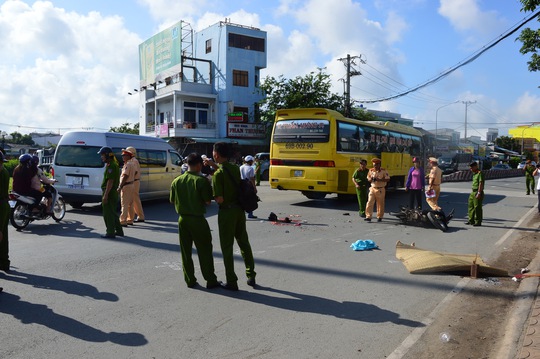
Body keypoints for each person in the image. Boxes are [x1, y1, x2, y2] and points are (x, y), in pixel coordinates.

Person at [170, 153, 220, 289]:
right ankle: (210, 279)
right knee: (205, 251)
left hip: (182, 220)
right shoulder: (201, 181)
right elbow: (208, 201)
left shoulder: (177, 181)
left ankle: (190, 280)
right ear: (198, 165)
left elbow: (173, 200)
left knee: (185, 252)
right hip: (197, 220)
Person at [211, 142, 256, 290]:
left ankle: (231, 280)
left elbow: (219, 199)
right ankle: (251, 275)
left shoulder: (218, 175)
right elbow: (226, 173)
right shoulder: (235, 168)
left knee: (227, 247)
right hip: (239, 210)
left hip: (227, 212)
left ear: (216, 154)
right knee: (244, 242)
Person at [98, 146, 124, 239]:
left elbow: (110, 181)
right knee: (113, 213)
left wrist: (105, 195)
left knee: (108, 214)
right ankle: (119, 231)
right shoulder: (111, 164)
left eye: (102, 155)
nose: (101, 157)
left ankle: (110, 232)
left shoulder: (112, 165)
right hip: (111, 192)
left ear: (107, 155)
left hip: (109, 192)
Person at [364, 158, 390, 222]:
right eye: (374, 165)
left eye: (376, 165)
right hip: (373, 188)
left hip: (380, 189)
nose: (375, 166)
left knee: (380, 203)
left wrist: (380, 180)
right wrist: (371, 179)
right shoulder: (371, 170)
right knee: (369, 202)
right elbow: (368, 178)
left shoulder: (383, 171)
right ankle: (368, 216)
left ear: (379, 165)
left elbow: (388, 179)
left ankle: (380, 216)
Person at [125, 146, 145, 223]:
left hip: (134, 181)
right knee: (135, 200)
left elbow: (135, 172)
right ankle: (139, 216)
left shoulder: (133, 161)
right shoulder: (133, 160)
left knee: (133, 200)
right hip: (134, 181)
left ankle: (134, 217)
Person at [118, 149, 136, 226]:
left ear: (128, 156)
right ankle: (130, 219)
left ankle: (123, 220)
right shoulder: (132, 164)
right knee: (130, 204)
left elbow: (125, 176)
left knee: (124, 204)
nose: (122, 157)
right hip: (131, 184)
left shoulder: (128, 165)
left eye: (124, 155)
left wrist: (120, 186)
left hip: (126, 185)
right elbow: (135, 173)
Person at [466, 161, 485, 226]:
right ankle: (471, 220)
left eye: (472, 167)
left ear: (476, 166)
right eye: (470, 168)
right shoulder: (474, 173)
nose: (470, 169)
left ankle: (478, 221)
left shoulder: (480, 173)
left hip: (478, 191)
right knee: (470, 206)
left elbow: (481, 183)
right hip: (473, 192)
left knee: (477, 207)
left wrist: (479, 193)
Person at [0, 151, 10, 274]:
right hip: (4, 205)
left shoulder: (3, 173)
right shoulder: (5, 172)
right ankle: (3, 263)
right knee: (3, 236)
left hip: (1, 205)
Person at [240, 155, 258, 219]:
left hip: (241, 185)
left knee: (242, 199)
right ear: (250, 162)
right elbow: (252, 179)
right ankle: (250, 214)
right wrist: (254, 188)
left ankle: (242, 214)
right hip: (248, 185)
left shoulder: (241, 167)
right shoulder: (250, 168)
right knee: (250, 200)